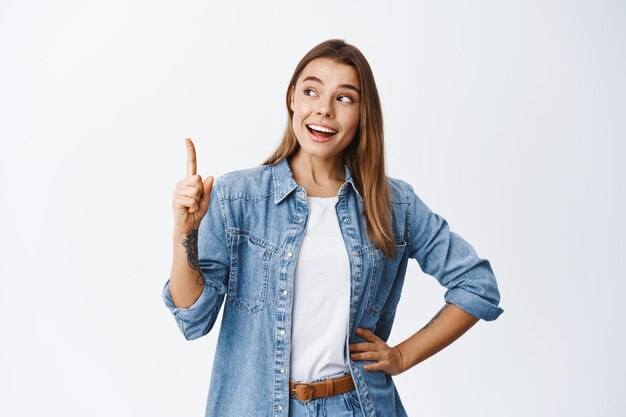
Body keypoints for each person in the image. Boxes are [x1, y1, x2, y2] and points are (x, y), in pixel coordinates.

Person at [162, 38, 503, 417]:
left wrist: (402, 356)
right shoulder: (237, 197)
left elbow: (478, 287)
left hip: (356, 406)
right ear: (292, 97)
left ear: (362, 113)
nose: (323, 110)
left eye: (344, 98)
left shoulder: (392, 204)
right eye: (311, 91)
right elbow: (193, 319)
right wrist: (184, 235)